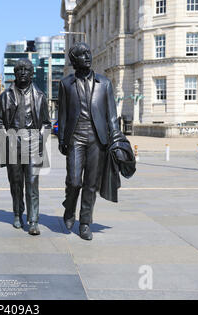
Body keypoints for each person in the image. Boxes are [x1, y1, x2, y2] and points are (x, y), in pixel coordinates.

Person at [58, 42, 121, 240]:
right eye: (82, 54)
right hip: (75, 136)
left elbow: (112, 116)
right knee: (74, 181)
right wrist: (61, 139)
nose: (87, 56)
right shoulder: (66, 84)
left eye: (88, 53)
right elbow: (62, 115)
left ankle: (85, 222)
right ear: (74, 60)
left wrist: (116, 139)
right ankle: (69, 210)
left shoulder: (105, 83)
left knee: (91, 184)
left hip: (97, 139)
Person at [0, 58, 51, 235]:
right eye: (19, 70)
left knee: (32, 183)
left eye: (26, 70)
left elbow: (47, 123)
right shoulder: (5, 96)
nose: (22, 73)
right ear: (14, 73)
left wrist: (41, 140)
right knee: (16, 183)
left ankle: (33, 220)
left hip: (33, 143)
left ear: (31, 73)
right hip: (13, 143)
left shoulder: (40, 96)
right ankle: (18, 213)